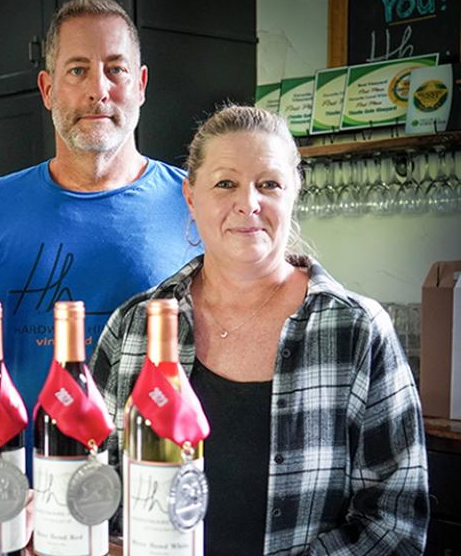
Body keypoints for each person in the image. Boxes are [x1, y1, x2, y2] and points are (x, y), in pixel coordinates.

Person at [91, 105, 429, 554]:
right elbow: (95, 484)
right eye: (225, 183)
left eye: (268, 184)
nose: (247, 203)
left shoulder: (357, 331)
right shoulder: (135, 326)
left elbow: (395, 521)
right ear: (191, 196)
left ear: (294, 193)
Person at [0, 0, 199, 464]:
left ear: (141, 84)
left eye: (116, 69)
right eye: (77, 71)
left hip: (150, 495)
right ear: (47, 89)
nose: (99, 90)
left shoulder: (195, 206)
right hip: (16, 497)